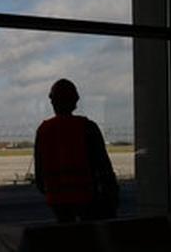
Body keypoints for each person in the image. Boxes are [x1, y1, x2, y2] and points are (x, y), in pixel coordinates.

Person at [34, 78, 119, 223]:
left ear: (52, 101)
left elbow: (40, 174)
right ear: (75, 101)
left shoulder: (44, 130)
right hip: (86, 197)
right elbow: (103, 165)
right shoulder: (87, 127)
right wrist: (112, 194)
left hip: (57, 200)